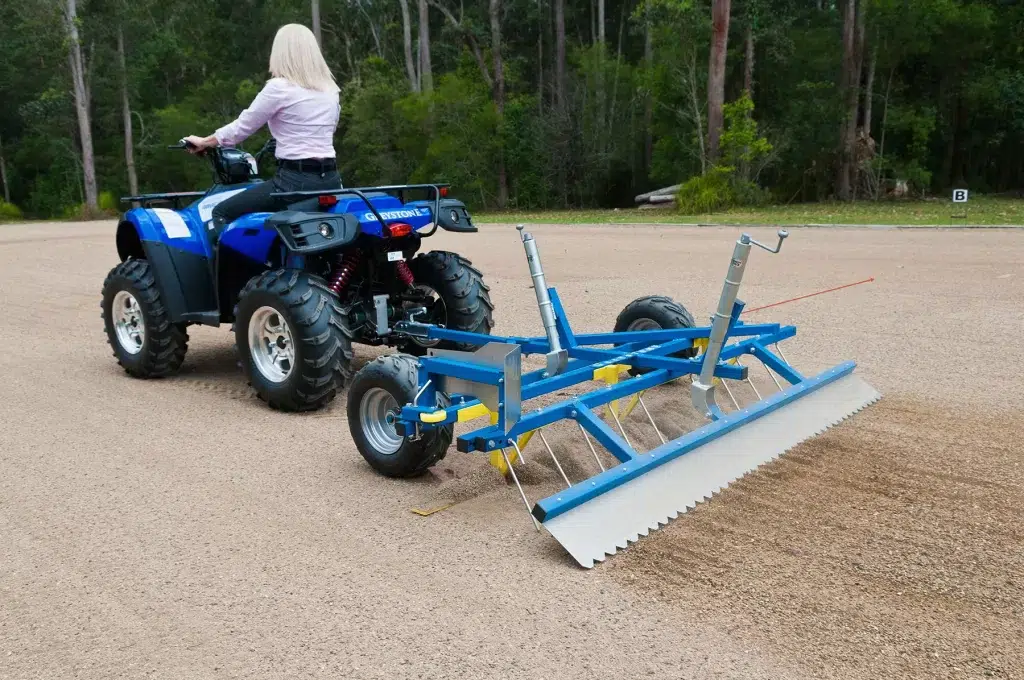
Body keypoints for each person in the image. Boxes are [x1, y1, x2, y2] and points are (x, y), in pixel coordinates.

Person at [183, 23, 342, 239]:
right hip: (332, 180)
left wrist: (204, 141)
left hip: (293, 182)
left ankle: (237, 272)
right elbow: (327, 130)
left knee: (221, 212)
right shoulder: (331, 90)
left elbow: (241, 128)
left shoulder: (280, 87)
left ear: (281, 52)